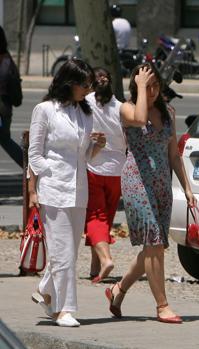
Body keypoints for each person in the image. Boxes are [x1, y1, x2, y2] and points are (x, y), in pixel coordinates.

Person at [104, 63, 196, 324]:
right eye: (148, 85)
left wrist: (187, 188)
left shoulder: (168, 112)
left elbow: (174, 155)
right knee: (154, 243)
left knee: (152, 247)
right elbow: (141, 118)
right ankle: (162, 306)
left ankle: (117, 290)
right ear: (136, 85)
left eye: (156, 85)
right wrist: (141, 87)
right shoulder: (128, 108)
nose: (153, 90)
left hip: (161, 186)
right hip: (137, 183)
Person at [28, 58, 106, 327]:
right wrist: (46, 175)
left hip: (78, 189)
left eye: (90, 85)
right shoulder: (45, 110)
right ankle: (65, 309)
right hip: (54, 189)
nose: (88, 89)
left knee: (69, 252)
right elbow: (34, 154)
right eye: (84, 84)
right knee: (62, 251)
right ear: (68, 83)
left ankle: (46, 292)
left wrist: (97, 147)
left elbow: (86, 157)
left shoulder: (85, 113)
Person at [84, 67, 126, 283]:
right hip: (117, 170)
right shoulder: (121, 108)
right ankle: (95, 265)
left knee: (95, 217)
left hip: (94, 166)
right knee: (106, 218)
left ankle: (105, 259)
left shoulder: (87, 102)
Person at [0, 25, 24, 167]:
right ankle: (28, 167)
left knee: (5, 140)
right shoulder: (7, 59)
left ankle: (28, 167)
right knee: (5, 139)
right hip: (4, 108)